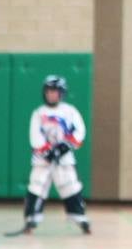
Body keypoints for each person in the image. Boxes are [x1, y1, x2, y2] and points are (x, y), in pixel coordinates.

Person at [19, 74, 90, 235]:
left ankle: (79, 216)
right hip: (42, 160)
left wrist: (65, 146)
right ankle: (31, 219)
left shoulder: (70, 111)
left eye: (54, 92)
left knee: (70, 185)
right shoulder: (39, 113)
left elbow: (79, 131)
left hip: (64, 159)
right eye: (48, 91)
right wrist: (46, 150)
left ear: (61, 93)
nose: (51, 94)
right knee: (37, 186)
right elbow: (35, 135)